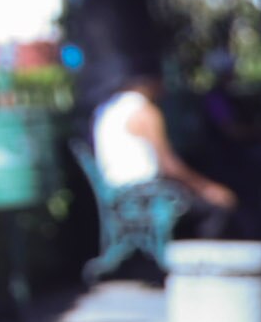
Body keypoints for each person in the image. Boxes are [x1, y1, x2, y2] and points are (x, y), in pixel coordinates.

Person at [90, 71, 238, 233]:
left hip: (113, 198)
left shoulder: (104, 110)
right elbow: (169, 165)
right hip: (145, 195)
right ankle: (202, 258)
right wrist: (207, 189)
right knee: (216, 208)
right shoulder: (144, 111)